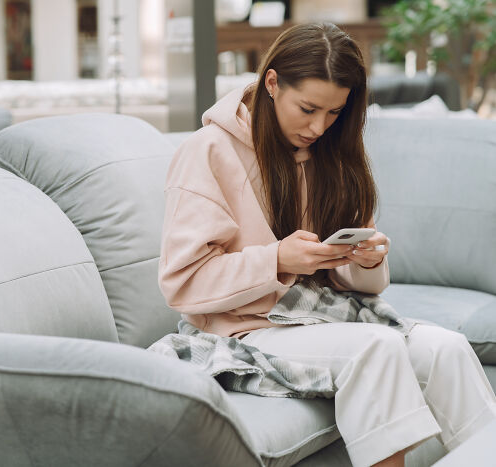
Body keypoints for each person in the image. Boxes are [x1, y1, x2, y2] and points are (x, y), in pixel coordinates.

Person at [157, 22, 496, 467]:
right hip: (244, 328)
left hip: (317, 315)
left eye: (334, 112)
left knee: (447, 348)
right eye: (308, 108)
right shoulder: (208, 152)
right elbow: (183, 283)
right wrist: (277, 259)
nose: (319, 126)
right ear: (272, 82)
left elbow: (359, 286)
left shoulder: (331, 153)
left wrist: (365, 260)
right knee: (378, 348)